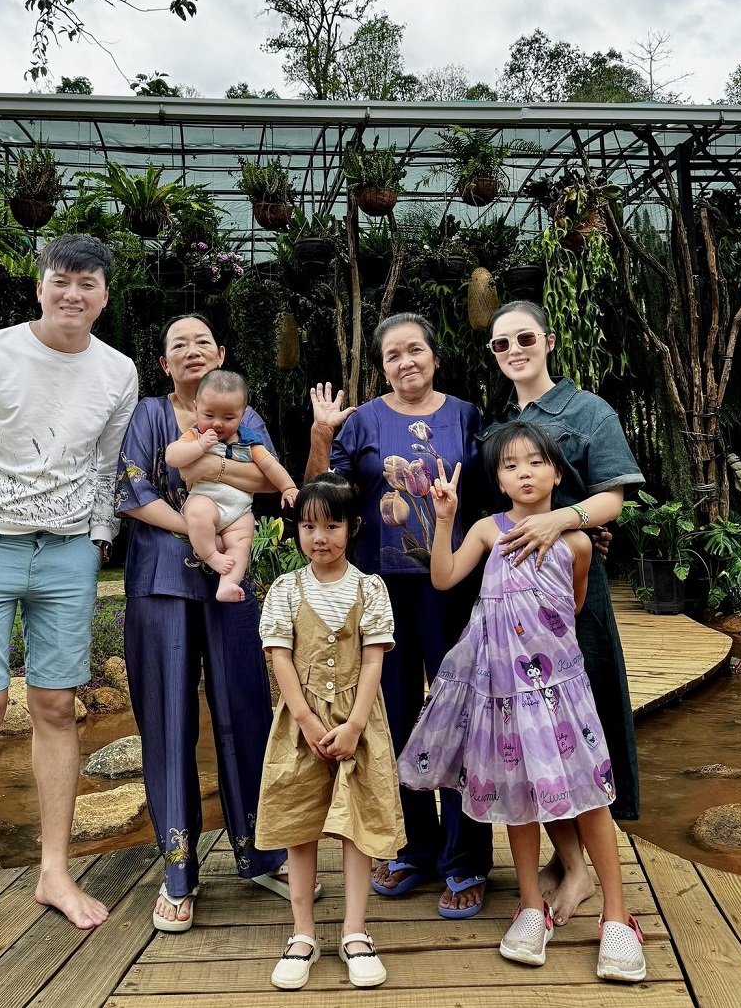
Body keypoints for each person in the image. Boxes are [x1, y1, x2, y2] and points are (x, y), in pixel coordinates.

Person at [0, 233, 139, 958]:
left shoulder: (119, 370)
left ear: (105, 295)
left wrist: (98, 538)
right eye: (61, 280)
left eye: (88, 283)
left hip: (67, 551)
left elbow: (110, 462)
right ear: (40, 286)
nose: (73, 293)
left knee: (53, 703)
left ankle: (53, 869)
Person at [399, 425, 646, 981]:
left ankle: (617, 916)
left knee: (590, 799)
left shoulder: (577, 543)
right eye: (511, 465)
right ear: (499, 479)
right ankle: (531, 906)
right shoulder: (488, 529)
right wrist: (443, 520)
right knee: (517, 799)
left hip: (560, 695)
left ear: (558, 474)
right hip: (500, 696)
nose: (525, 472)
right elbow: (443, 577)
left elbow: (572, 607)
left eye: (537, 462)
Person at [116, 314, 306, 933]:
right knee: (168, 723)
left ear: (219, 354)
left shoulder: (242, 413)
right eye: (178, 346)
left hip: (232, 584)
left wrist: (213, 476)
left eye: (202, 342)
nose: (192, 351)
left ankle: (261, 854)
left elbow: (266, 475)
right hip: (160, 584)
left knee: (245, 711)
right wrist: (200, 537)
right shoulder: (148, 415)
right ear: (165, 364)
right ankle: (179, 872)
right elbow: (135, 493)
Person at [306, 313, 493, 918]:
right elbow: (317, 498)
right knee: (395, 715)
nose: (405, 362)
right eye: (393, 355)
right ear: (381, 366)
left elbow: (496, 496)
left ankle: (466, 859)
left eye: (416, 350)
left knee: (460, 712)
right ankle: (414, 848)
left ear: (435, 358)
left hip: (452, 587)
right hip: (379, 593)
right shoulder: (361, 421)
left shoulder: (467, 415)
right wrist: (319, 433)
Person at [478, 300, 645, 926]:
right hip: (510, 605)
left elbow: (614, 497)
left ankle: (584, 872)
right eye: (501, 344)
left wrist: (564, 520)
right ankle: (568, 859)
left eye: (524, 338)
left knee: (582, 724)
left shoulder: (587, 410)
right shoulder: (502, 422)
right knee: (532, 734)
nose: (514, 350)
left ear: (548, 341)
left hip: (572, 590)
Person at [257, 474, 405, 991]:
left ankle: (355, 931)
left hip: (359, 722)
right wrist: (308, 720)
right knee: (301, 822)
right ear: (297, 530)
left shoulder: (370, 588)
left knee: (358, 821)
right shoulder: (284, 590)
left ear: (353, 527)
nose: (321, 537)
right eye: (309, 526)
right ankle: (302, 933)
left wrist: (355, 725)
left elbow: (372, 661)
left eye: (333, 525)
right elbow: (279, 657)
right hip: (300, 725)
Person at [165, 369, 297, 601]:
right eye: (208, 415)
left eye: (228, 418)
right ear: (196, 409)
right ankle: (211, 555)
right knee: (198, 512)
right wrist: (200, 447)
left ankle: (227, 584)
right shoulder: (195, 436)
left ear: (242, 414)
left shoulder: (250, 443)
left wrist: (288, 487)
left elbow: (270, 467)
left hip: (239, 512)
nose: (217, 424)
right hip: (206, 500)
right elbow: (172, 457)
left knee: (242, 543)